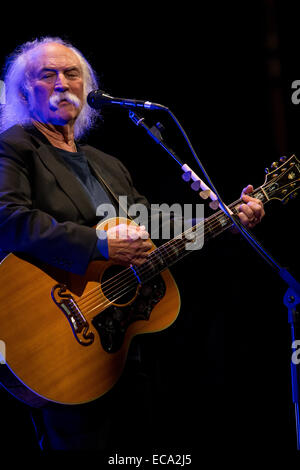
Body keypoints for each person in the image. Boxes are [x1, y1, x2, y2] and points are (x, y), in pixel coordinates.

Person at [0, 37, 265, 452]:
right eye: (47, 75)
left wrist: (225, 220)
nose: (62, 83)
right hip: (61, 342)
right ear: (21, 91)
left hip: (122, 349)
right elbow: (9, 221)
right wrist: (100, 246)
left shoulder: (106, 163)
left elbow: (151, 224)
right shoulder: (14, 148)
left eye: (72, 74)